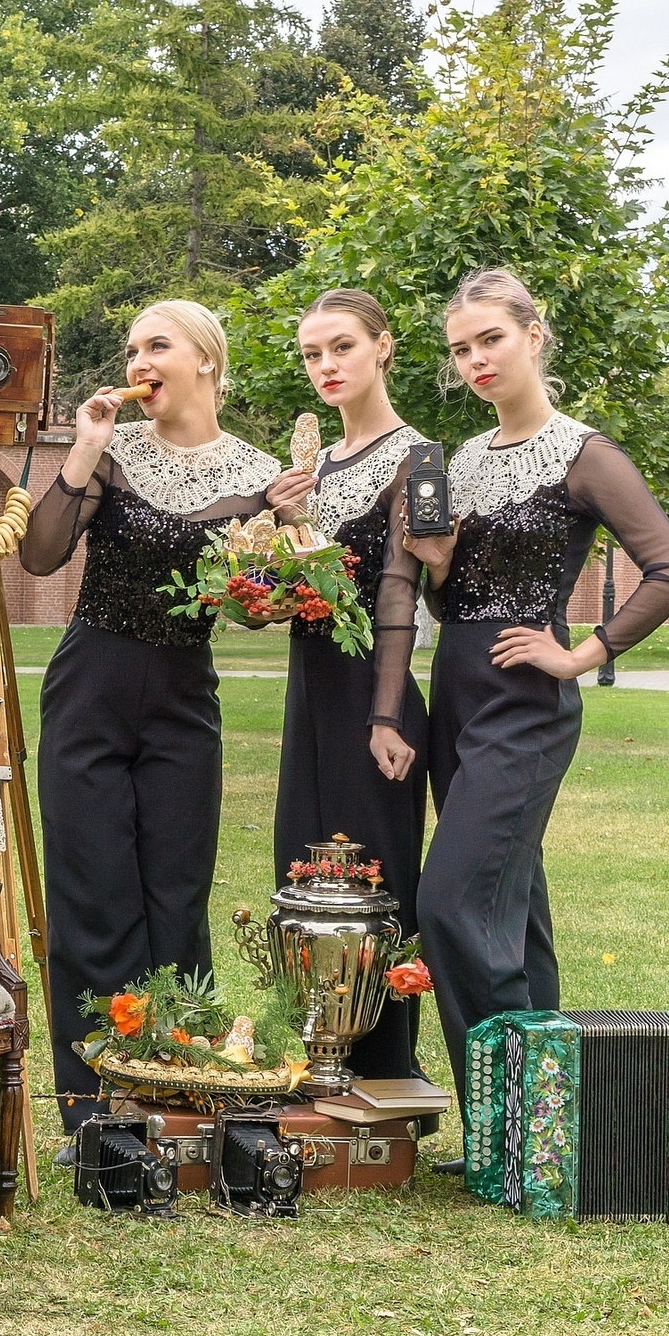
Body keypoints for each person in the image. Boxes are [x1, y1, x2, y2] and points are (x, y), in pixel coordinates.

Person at [382, 268, 669, 1088]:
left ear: (533, 334)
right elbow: (453, 599)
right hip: (457, 692)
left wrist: (582, 654)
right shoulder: (464, 459)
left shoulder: (585, 454)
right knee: (512, 913)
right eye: (461, 349)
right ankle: (540, 1121)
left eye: (491, 339)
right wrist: (441, 562)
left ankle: (508, 1114)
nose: (476, 359)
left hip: (526, 703)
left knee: (450, 902)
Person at [19, 300, 282, 1144]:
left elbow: (259, 611)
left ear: (205, 359)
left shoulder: (258, 471)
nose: (138, 359)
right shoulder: (114, 451)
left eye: (156, 344)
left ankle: (177, 1080)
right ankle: (93, 1106)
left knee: (177, 890)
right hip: (91, 681)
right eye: (132, 346)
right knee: (92, 889)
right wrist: (84, 448)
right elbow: (39, 554)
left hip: (183, 694)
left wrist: (272, 569)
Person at [257, 288, 430, 1081]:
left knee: (375, 890)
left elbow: (398, 592)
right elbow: (292, 592)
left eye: (342, 348)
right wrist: (264, 571)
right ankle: (317, 1063)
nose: (325, 365)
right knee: (305, 880)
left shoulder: (415, 456)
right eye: (312, 354)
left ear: (383, 347)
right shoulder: (314, 465)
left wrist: (387, 715)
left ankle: (386, 1073)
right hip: (311, 696)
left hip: (373, 697)